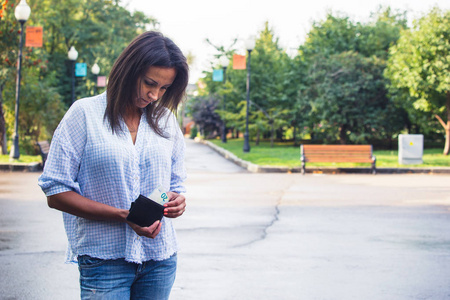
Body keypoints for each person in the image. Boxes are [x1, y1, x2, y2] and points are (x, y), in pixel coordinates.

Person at [38, 31, 189, 300]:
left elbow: (171, 185)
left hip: (159, 259)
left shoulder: (166, 121)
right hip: (104, 261)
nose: (155, 95)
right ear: (129, 70)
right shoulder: (84, 114)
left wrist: (174, 200)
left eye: (164, 88)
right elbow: (56, 192)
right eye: (149, 83)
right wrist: (124, 215)